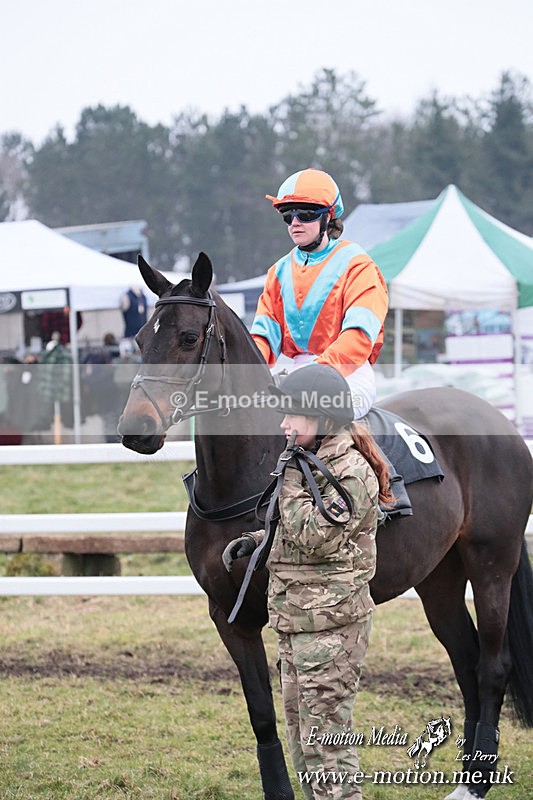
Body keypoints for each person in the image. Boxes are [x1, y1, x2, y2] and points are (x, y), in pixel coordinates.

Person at [222, 364, 393, 800]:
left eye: (292, 416)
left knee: (328, 749)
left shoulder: (351, 472)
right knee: (304, 744)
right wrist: (255, 539)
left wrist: (290, 480)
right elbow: (295, 528)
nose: (283, 424)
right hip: (297, 623)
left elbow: (317, 537)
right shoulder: (309, 462)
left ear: (320, 419)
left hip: (331, 629)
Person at [250, 168, 389, 419]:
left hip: (348, 375)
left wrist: (314, 374)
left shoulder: (359, 266)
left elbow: (358, 338)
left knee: (307, 418)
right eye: (287, 215)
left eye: (305, 213)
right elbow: (263, 338)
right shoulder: (278, 272)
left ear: (328, 217)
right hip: (294, 376)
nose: (294, 222)